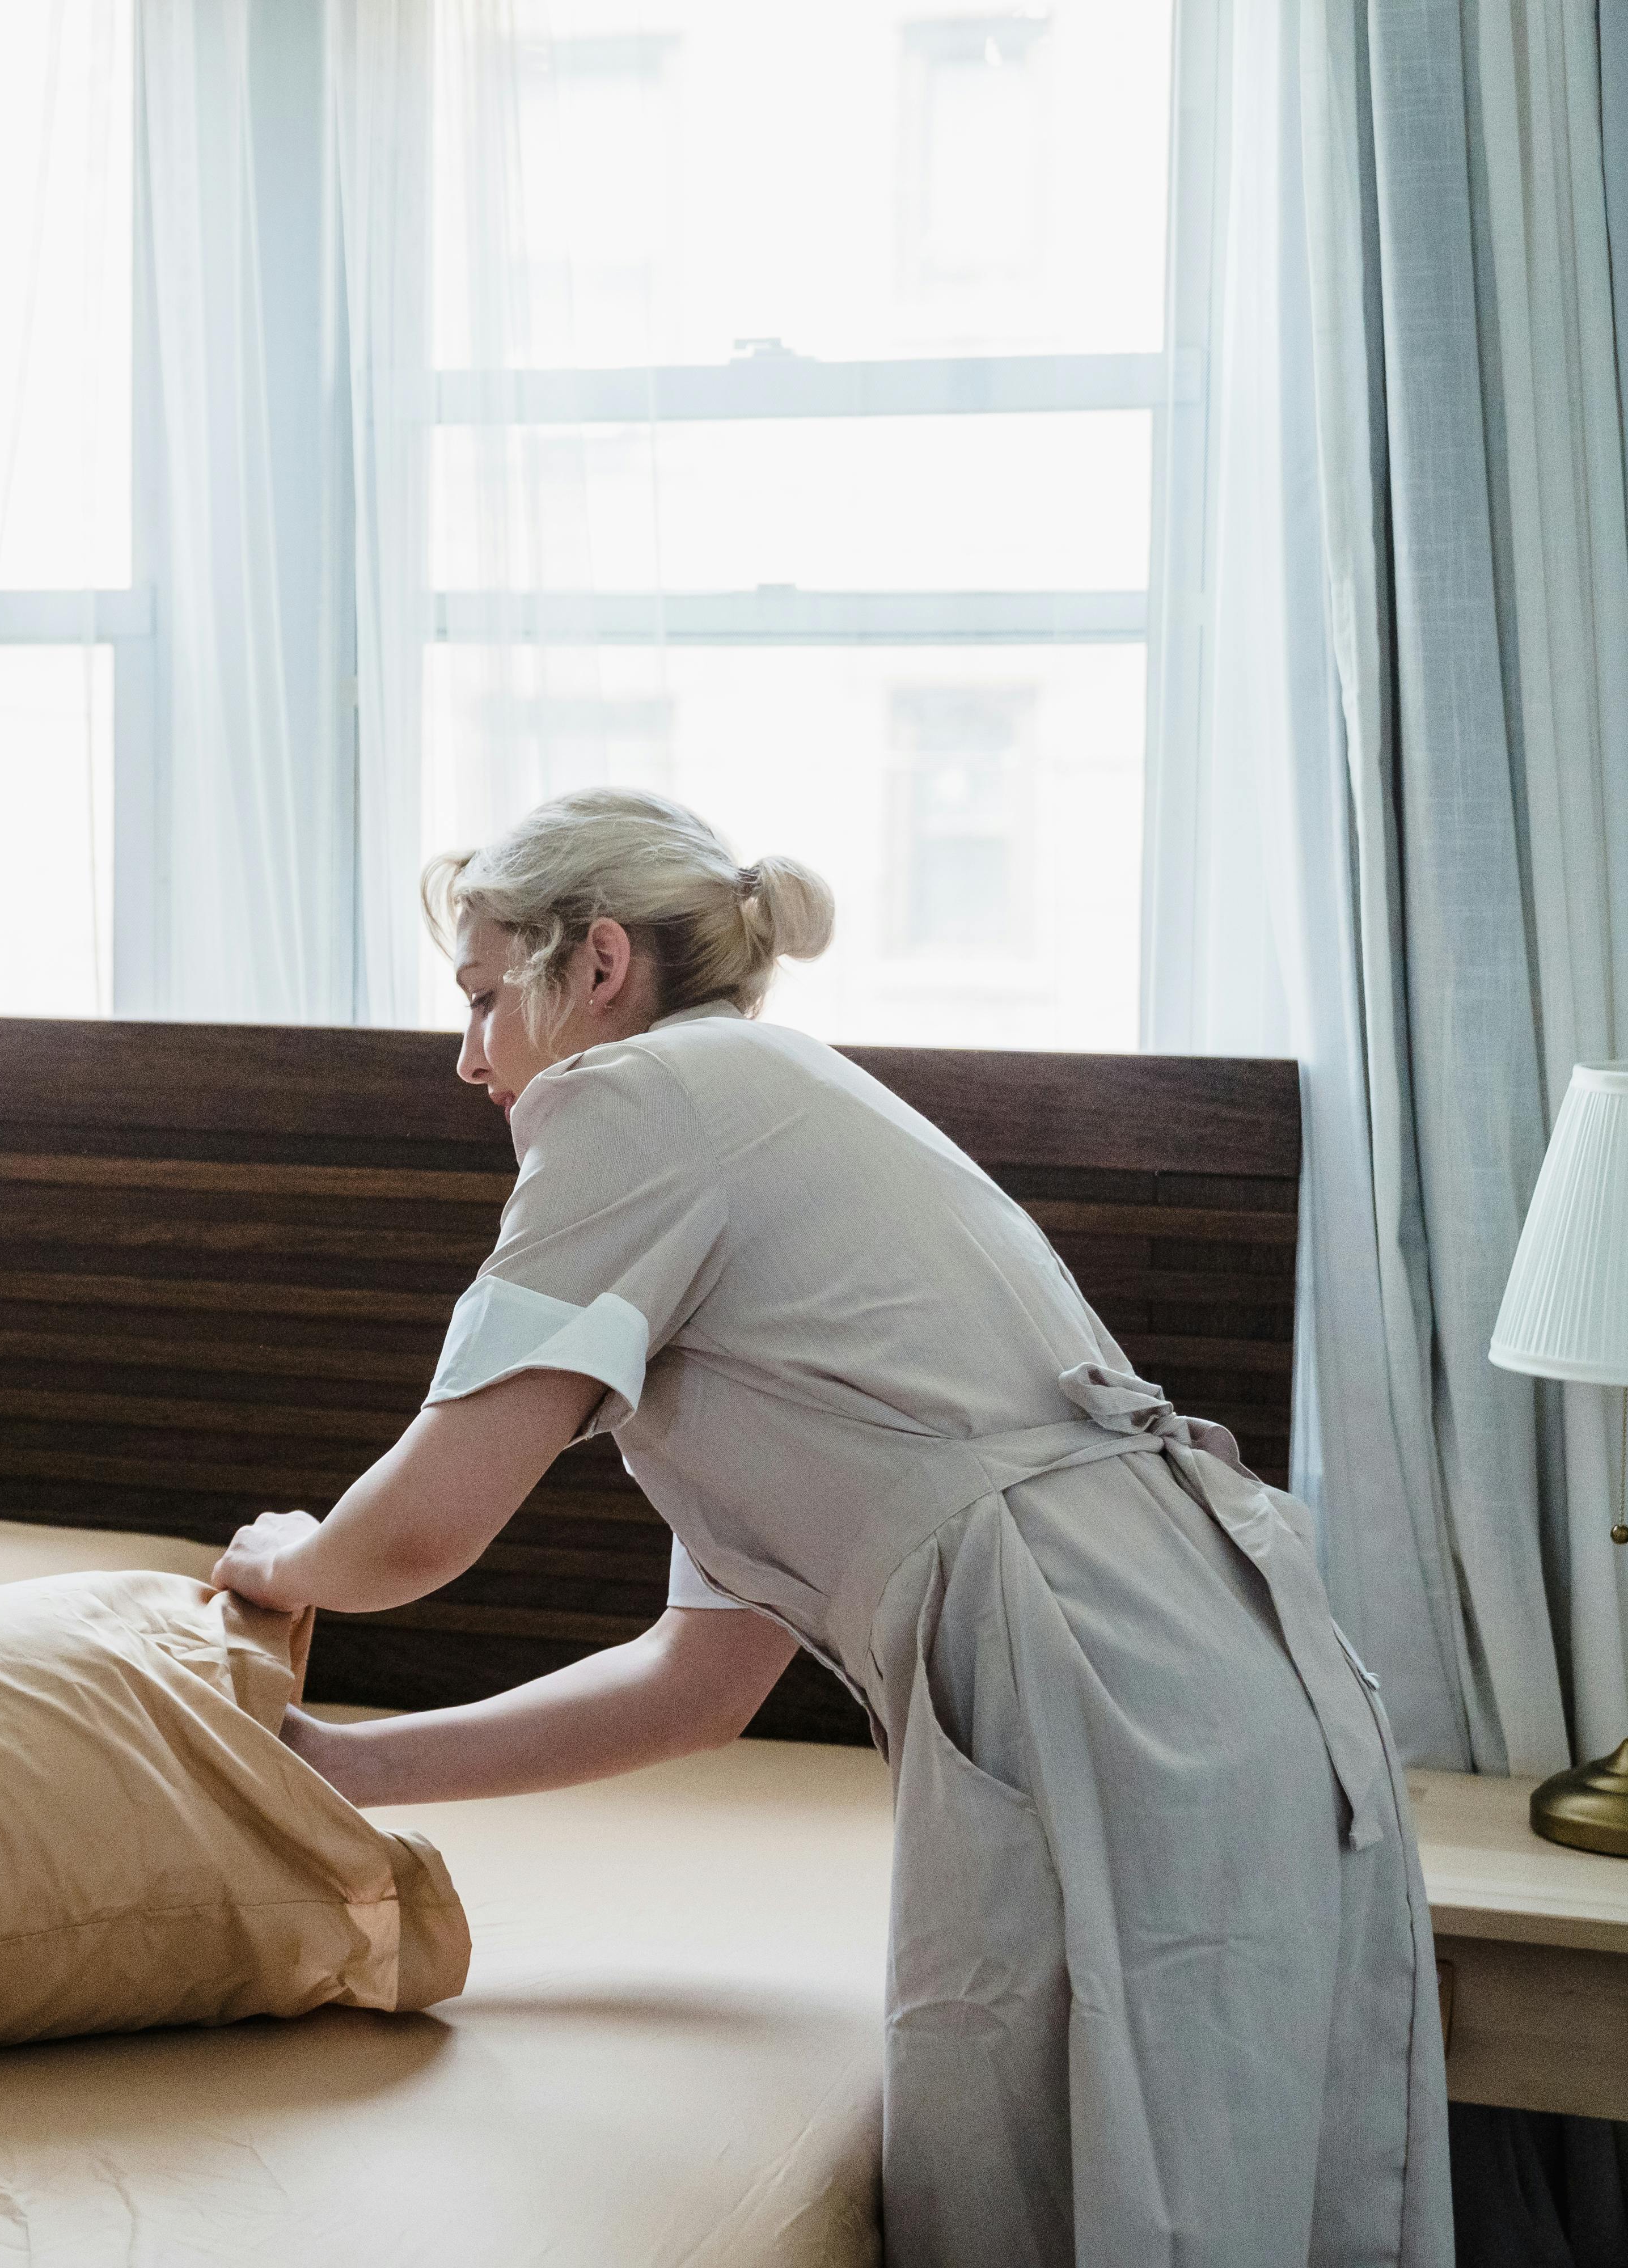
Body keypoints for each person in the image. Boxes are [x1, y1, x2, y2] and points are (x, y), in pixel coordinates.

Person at [212, 787, 1449, 2264]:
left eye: (485, 996)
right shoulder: (759, 1129)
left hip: (1111, 1688)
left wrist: (279, 1557)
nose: (468, 1054)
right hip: (1211, 1674)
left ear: (597, 964)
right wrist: (351, 1767)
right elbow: (696, 1686)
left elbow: (423, 1533)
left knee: (1104, 2207)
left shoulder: (636, 1105)